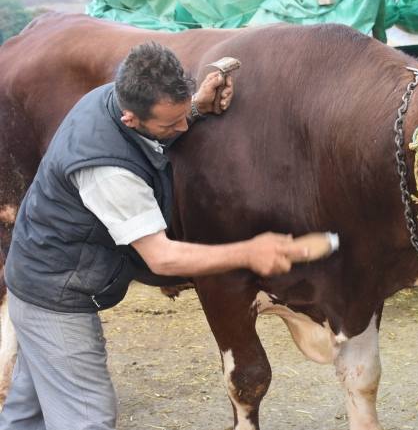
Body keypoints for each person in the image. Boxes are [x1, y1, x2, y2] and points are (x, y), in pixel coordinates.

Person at [0, 41, 307, 430]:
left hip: (34, 274)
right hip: (55, 295)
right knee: (88, 417)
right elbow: (162, 257)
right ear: (131, 118)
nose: (181, 129)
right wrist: (250, 251)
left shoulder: (109, 98)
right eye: (169, 124)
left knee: (27, 414)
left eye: (181, 117)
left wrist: (195, 106)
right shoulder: (109, 172)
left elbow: (159, 129)